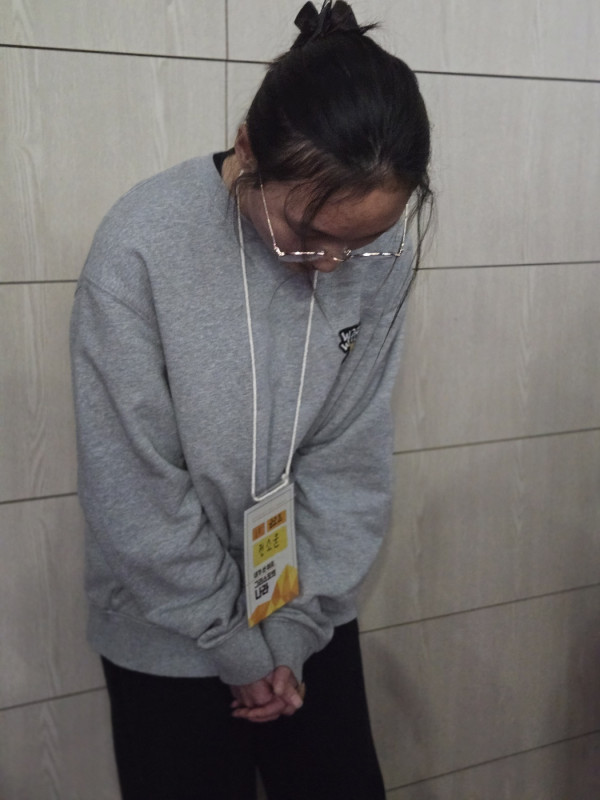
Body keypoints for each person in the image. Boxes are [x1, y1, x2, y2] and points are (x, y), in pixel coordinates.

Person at [70, 1, 432, 798]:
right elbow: (134, 484)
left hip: (304, 610)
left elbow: (349, 453)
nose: (332, 265)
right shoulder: (140, 247)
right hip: (168, 631)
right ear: (247, 149)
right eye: (309, 235)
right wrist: (230, 642)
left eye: (360, 243)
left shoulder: (378, 257)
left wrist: (293, 628)